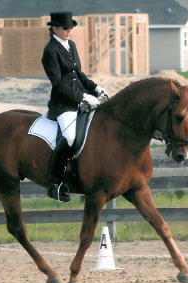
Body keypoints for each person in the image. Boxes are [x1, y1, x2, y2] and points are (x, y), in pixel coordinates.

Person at [42, 11, 108, 202]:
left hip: (81, 99)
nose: (69, 31)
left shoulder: (71, 45)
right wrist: (83, 97)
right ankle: (54, 183)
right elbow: (59, 84)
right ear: (54, 28)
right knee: (70, 137)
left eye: (71, 27)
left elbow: (78, 74)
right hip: (63, 104)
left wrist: (96, 89)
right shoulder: (50, 51)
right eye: (65, 28)